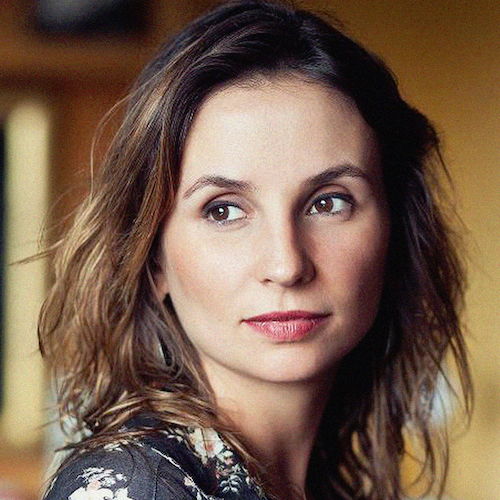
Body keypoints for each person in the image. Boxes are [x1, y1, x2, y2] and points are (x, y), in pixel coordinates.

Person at [39, 1, 472, 499]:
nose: (286, 265)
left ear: (395, 227)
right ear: (153, 258)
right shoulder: (136, 487)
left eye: (328, 202)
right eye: (223, 211)